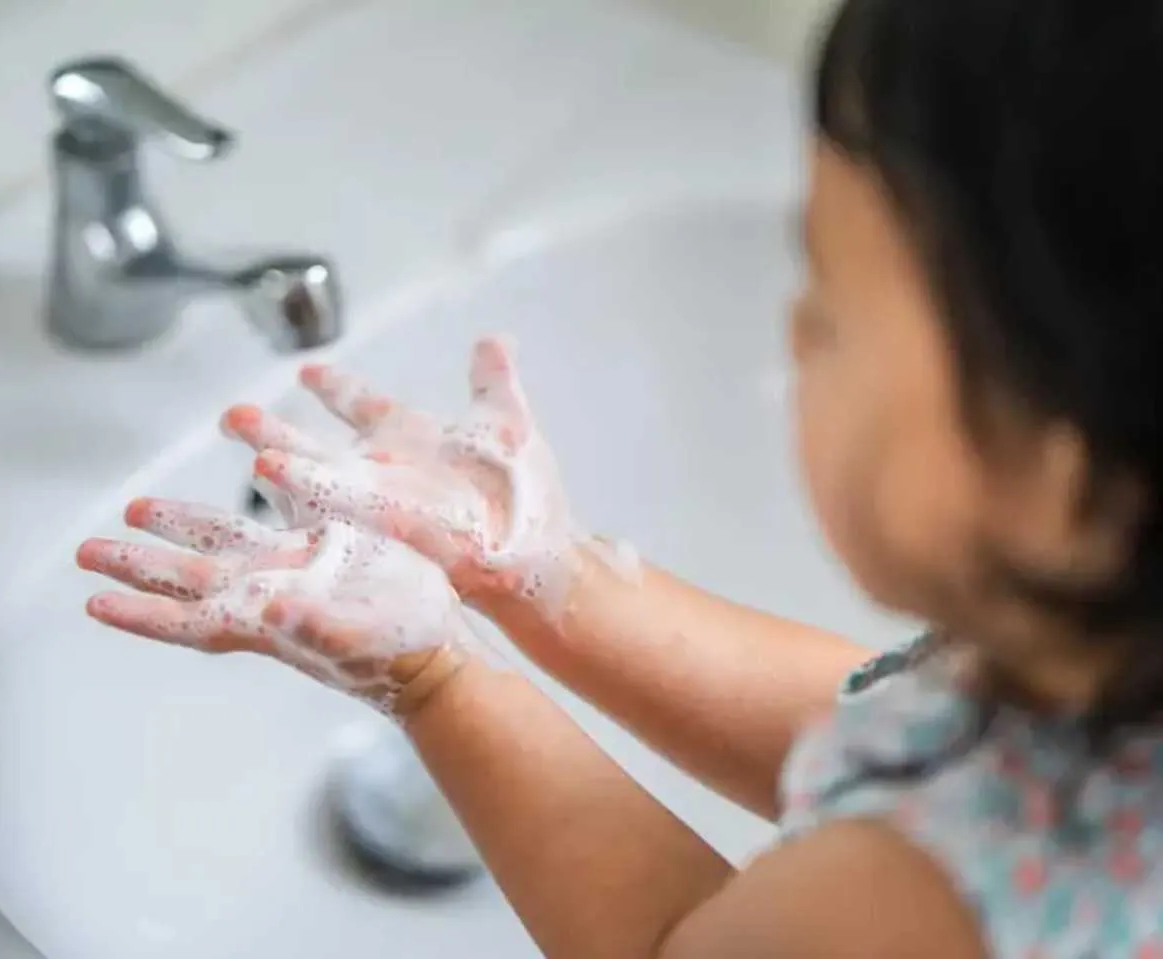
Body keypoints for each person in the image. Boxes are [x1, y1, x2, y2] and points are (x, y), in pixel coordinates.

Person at [74, 0, 1163, 954]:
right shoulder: (1103, 676)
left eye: (829, 310)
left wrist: (433, 678)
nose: (791, 328)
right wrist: (552, 575)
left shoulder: (928, 895)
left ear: (1064, 487)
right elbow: (884, 729)